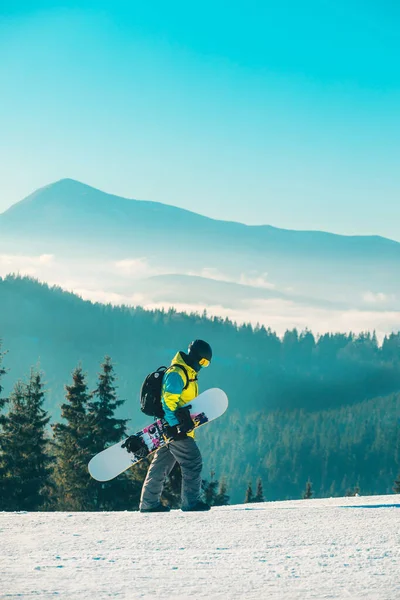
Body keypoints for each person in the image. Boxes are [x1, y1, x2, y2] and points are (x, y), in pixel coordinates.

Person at [139, 339, 212, 513]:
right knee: (192, 461)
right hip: (175, 428)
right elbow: (168, 402)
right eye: (203, 361)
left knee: (161, 464)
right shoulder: (177, 374)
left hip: (175, 427)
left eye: (206, 364)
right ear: (195, 356)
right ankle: (191, 502)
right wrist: (174, 426)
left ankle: (148, 503)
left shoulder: (189, 374)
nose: (203, 366)